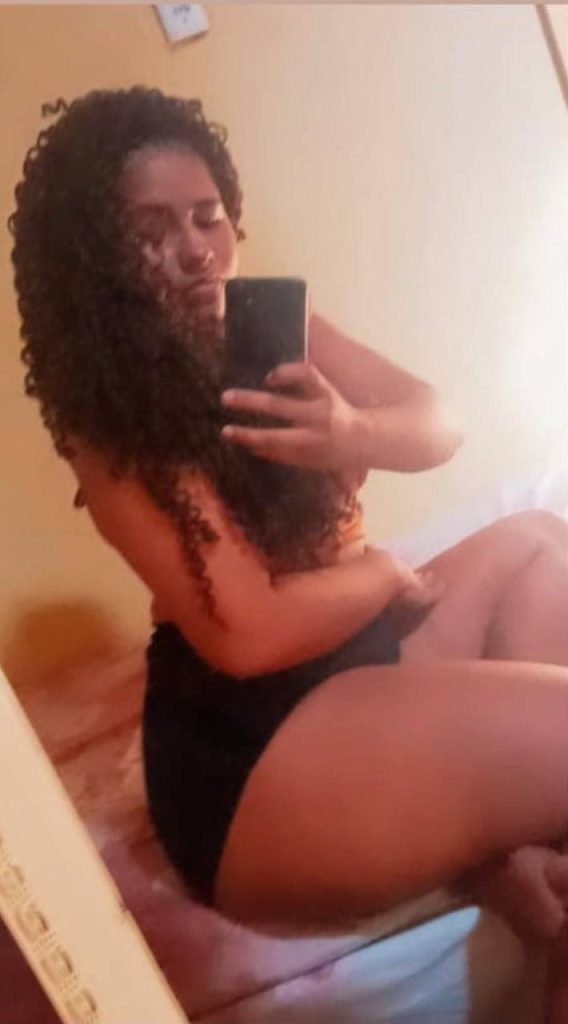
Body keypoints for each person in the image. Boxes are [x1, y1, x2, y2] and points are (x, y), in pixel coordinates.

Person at [10, 90, 568, 966]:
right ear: (97, 256)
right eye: (152, 231)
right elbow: (250, 635)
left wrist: (353, 433)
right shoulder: (112, 424)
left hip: (352, 659)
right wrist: (382, 576)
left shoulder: (269, 325)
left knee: (540, 541)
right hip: (253, 753)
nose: (195, 249)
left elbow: (438, 420)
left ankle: (525, 851)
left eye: (208, 217)